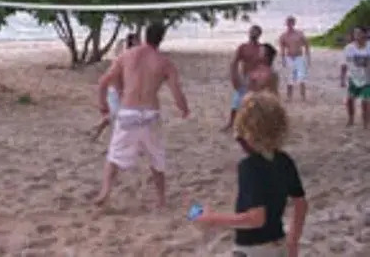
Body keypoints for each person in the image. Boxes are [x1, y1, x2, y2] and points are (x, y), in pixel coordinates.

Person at [193, 90, 308, 257]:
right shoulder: (284, 161)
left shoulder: (249, 167)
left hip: (253, 250)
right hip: (279, 244)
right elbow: (301, 203)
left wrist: (213, 219)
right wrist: (293, 241)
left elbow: (256, 218)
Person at [94, 22, 190, 208]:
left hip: (129, 111)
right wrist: (184, 108)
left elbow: (103, 81)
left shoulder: (127, 55)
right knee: (156, 156)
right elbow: (176, 91)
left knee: (114, 155)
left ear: (145, 35)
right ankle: (161, 198)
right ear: (161, 38)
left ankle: (105, 191)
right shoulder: (164, 62)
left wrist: (103, 105)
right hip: (150, 113)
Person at [90, 32, 140, 142]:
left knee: (116, 116)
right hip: (115, 91)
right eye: (136, 41)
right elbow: (114, 77)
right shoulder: (125, 58)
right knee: (117, 115)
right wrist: (120, 91)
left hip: (121, 90)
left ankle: (97, 131)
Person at [222, 25, 264, 131]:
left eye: (255, 32)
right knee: (236, 102)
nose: (253, 34)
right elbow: (234, 63)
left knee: (255, 103)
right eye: (252, 32)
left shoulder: (262, 49)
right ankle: (231, 122)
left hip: (257, 79)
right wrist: (234, 77)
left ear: (259, 35)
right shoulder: (243, 47)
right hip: (245, 78)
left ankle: (254, 125)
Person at [340, 26, 370, 128]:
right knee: (350, 100)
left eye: (359, 33)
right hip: (353, 78)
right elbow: (344, 65)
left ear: (365, 34)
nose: (356, 35)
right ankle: (351, 119)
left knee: (365, 101)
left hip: (367, 79)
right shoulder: (349, 48)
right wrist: (342, 79)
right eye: (355, 33)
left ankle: (366, 122)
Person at [279, 16, 310, 101]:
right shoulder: (283, 36)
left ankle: (303, 96)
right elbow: (282, 48)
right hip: (289, 57)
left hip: (299, 57)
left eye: (291, 23)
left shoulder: (299, 34)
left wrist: (307, 57)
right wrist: (283, 59)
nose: (289, 25)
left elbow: (306, 44)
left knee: (301, 77)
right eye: (288, 23)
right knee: (289, 78)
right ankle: (289, 97)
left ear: (294, 23)